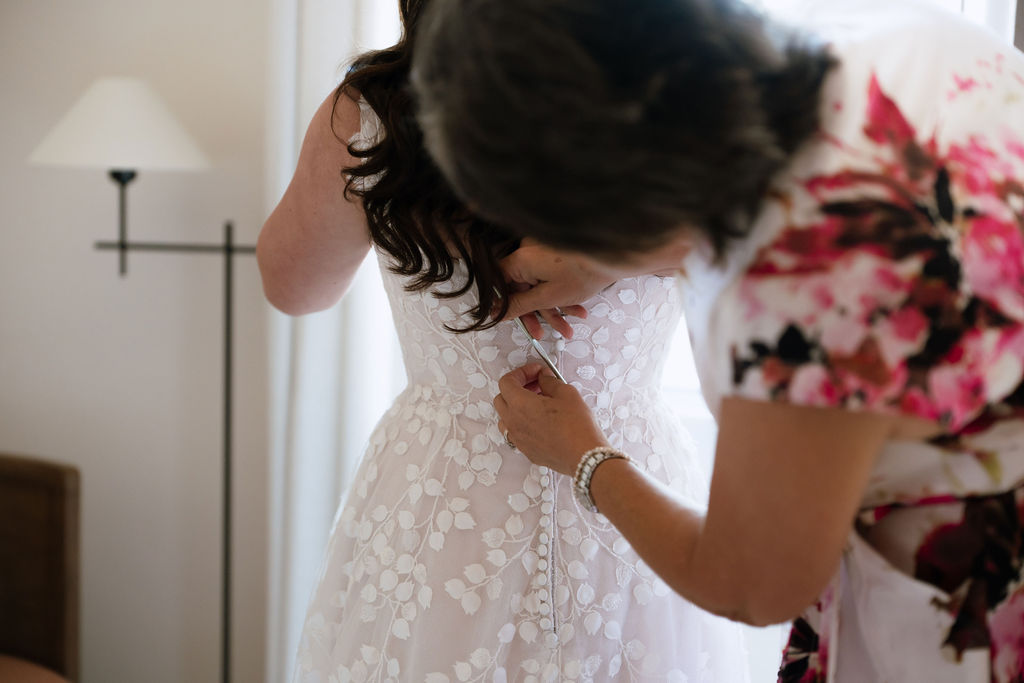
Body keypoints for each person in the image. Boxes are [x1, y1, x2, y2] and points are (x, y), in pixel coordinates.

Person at [410, 0, 1024, 680]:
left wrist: (584, 456)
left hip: (964, 608)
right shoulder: (904, 40)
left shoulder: (805, 286)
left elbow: (751, 584)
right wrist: (607, 257)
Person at [257, 1, 752, 681]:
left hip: (448, 502)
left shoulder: (373, 113)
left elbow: (293, 285)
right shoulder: (676, 98)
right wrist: (620, 251)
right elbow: (758, 250)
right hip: (618, 488)